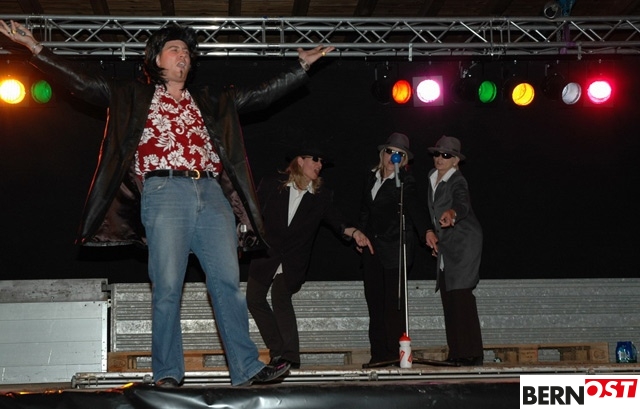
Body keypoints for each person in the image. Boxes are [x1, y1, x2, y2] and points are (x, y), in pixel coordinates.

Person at [0, 20, 334, 387]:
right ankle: (168, 372)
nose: (183, 56)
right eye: (175, 49)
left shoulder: (209, 99)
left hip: (211, 193)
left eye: (187, 52)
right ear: (156, 58)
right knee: (168, 285)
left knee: (227, 282)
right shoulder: (132, 95)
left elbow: (260, 95)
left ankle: (246, 368)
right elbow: (83, 83)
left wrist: (300, 67)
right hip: (164, 191)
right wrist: (37, 49)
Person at [246, 146, 374, 369]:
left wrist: (355, 232)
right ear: (300, 161)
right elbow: (252, 213)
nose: (319, 165)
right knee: (253, 299)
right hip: (267, 255)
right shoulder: (272, 184)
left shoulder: (321, 195)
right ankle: (278, 350)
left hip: (293, 259)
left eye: (321, 162)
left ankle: (289, 357)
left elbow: (336, 220)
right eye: (315, 159)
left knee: (280, 296)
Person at [356, 133, 429, 365]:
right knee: (374, 302)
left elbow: (415, 208)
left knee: (393, 305)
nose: (392, 157)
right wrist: (360, 234)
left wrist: (426, 231)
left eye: (399, 154)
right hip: (372, 248)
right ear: (383, 153)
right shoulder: (371, 177)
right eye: (390, 152)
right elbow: (365, 210)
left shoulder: (405, 181)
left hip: (396, 247)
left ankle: (392, 354)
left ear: (403, 159)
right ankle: (378, 355)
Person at [425, 135, 484, 366]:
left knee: (461, 295)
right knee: (449, 296)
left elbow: (462, 203)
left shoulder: (457, 180)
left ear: (455, 160)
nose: (439, 158)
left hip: (464, 241)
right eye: (437, 154)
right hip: (447, 242)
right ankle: (457, 352)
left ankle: (471, 353)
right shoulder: (432, 177)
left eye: (446, 155)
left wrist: (452, 213)